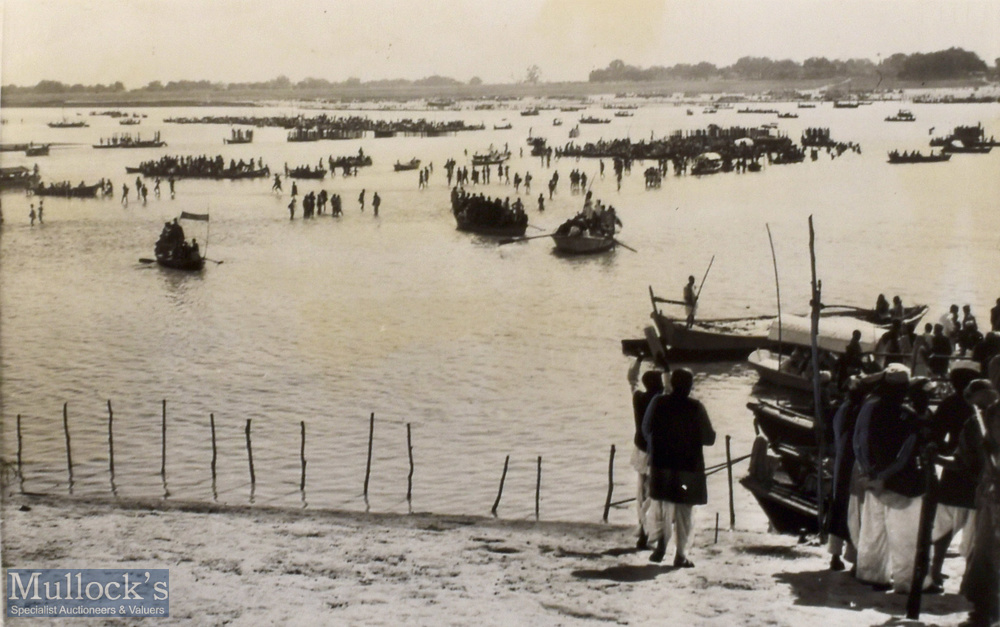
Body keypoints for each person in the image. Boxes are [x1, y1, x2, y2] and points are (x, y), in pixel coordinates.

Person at [853, 363, 929, 594]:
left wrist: (871, 473)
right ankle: (906, 582)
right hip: (901, 483)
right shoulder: (909, 416)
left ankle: (871, 575)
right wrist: (886, 475)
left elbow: (859, 443)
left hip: (871, 477)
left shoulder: (869, 408)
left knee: (873, 530)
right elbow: (905, 453)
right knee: (905, 535)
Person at [642, 368, 716, 566]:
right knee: (684, 512)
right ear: (690, 387)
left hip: (661, 468)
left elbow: (646, 428)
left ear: (672, 384)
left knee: (661, 507)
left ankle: (660, 546)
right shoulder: (696, 407)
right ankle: (680, 555)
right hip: (687, 471)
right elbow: (710, 438)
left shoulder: (658, 402)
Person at [929, 367, 981, 588]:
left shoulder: (949, 403)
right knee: (975, 527)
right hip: (978, 470)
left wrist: (946, 452)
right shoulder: (982, 408)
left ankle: (935, 570)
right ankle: (969, 576)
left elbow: (936, 435)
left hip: (955, 468)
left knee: (946, 524)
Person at [960, 379, 1000, 626]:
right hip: (991, 492)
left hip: (994, 495)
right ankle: (985, 611)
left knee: (988, 552)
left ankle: (985, 612)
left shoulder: (990, 416)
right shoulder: (984, 417)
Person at [628, 357, 664, 549]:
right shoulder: (662, 400)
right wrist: (663, 365)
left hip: (640, 449)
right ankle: (649, 532)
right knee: (654, 494)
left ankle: (643, 530)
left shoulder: (638, 397)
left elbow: (631, 379)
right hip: (656, 452)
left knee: (641, 491)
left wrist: (638, 360)